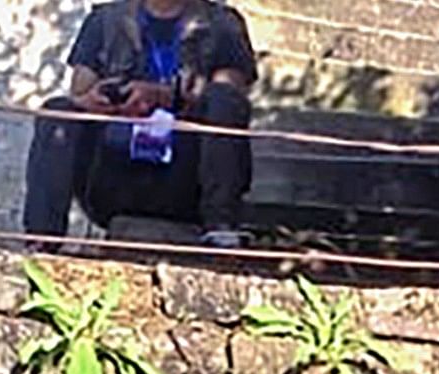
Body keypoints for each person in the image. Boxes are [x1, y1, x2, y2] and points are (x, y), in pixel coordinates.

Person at [21, 0, 261, 251]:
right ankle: (42, 238)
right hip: (113, 172)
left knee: (224, 100)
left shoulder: (223, 24)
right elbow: (80, 93)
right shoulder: (104, 20)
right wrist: (106, 101)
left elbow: (231, 93)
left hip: (189, 178)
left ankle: (222, 228)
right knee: (58, 111)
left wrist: (166, 97)